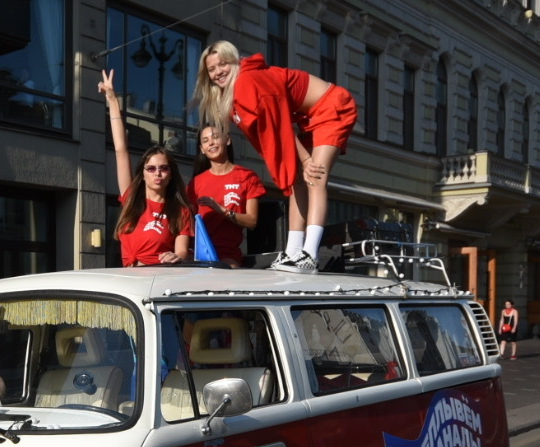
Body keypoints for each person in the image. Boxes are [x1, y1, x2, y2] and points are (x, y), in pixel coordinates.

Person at [195, 40, 358, 273]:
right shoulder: (230, 99)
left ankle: (310, 254)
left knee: (315, 176)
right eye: (212, 69)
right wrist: (291, 164)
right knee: (296, 183)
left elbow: (280, 126)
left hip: (330, 106)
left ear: (235, 62)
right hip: (306, 118)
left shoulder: (247, 83)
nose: (218, 72)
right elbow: (266, 136)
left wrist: (305, 160)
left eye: (223, 64)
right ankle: (293, 251)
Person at [100, 69, 193, 267]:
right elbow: (121, 150)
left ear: (170, 174)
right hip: (129, 278)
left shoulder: (180, 211)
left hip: (158, 278)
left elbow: (182, 251)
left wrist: (178, 256)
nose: (157, 173)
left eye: (163, 168)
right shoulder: (131, 198)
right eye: (150, 169)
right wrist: (113, 100)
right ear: (142, 174)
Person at [187, 124, 266, 266]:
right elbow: (187, 222)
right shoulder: (196, 183)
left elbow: (252, 221)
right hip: (198, 254)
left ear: (228, 140)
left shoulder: (247, 177)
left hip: (227, 254)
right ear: (202, 150)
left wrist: (222, 210)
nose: (211, 142)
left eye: (215, 137)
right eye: (205, 141)